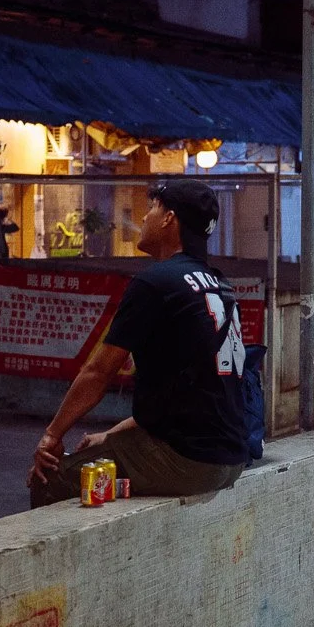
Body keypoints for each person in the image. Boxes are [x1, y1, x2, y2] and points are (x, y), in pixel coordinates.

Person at [29, 180, 249, 506]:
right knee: (103, 452)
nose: (144, 217)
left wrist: (51, 436)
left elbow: (98, 373)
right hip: (231, 458)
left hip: (187, 461)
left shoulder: (155, 283)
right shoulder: (221, 285)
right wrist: (112, 435)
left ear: (168, 219)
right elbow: (187, 393)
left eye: (152, 208)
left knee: (50, 477)